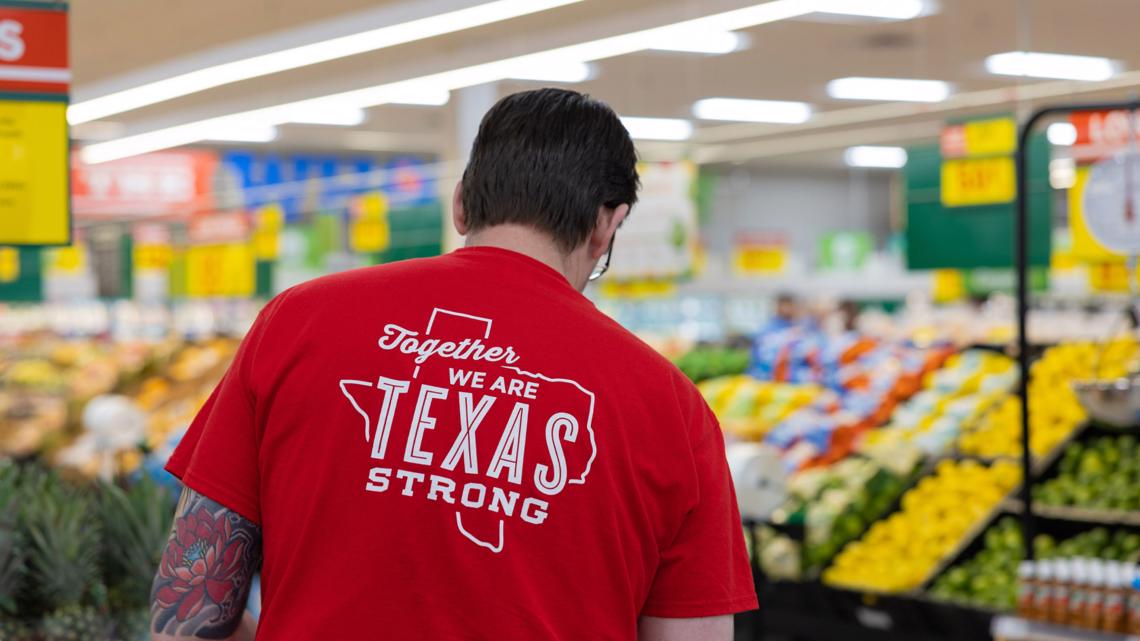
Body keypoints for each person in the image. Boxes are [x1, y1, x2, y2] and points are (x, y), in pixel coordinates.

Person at [151, 88, 757, 641]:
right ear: (607, 224)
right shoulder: (672, 407)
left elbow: (186, 617)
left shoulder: (298, 321)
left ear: (462, 202)